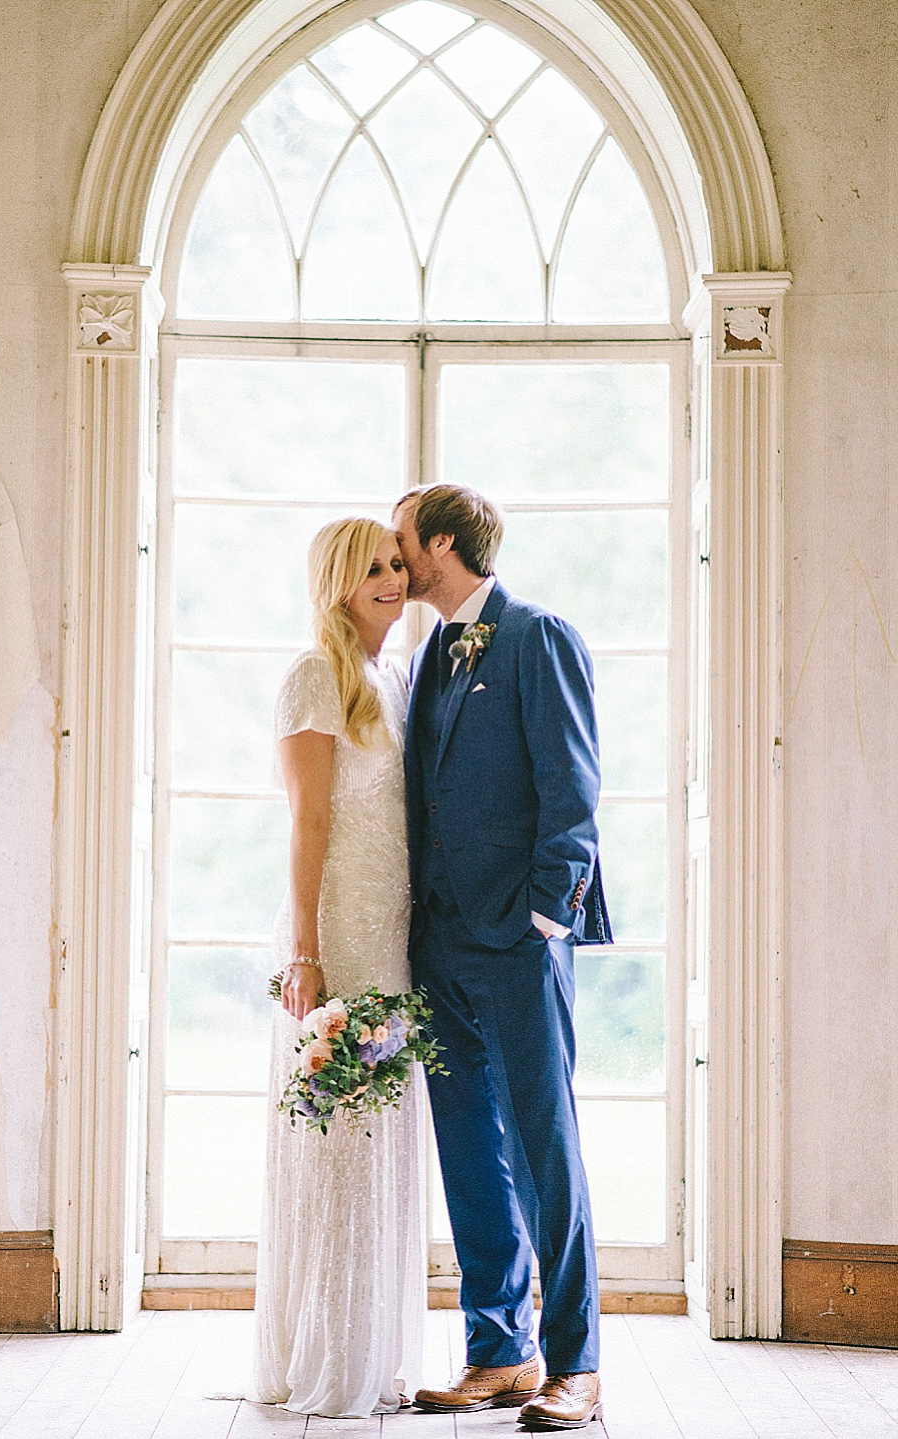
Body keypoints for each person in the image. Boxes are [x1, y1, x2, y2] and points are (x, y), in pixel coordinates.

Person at [394, 483, 612, 1432]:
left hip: (521, 940)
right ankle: (499, 1349)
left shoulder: (538, 635)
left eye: (403, 541)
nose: (396, 559)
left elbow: (573, 786)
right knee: (471, 1148)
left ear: (443, 542)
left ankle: (576, 1362)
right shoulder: (429, 654)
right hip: (438, 939)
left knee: (543, 1146)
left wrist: (548, 918)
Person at [253, 516, 425, 1418]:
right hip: (338, 940)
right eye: (373, 569)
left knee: (380, 1140)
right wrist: (305, 951)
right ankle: (328, 1356)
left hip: (392, 940)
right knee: (337, 1144)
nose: (394, 579)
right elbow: (308, 825)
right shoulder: (313, 677)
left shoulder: (391, 677)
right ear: (337, 582)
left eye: (398, 564)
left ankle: (373, 1349)